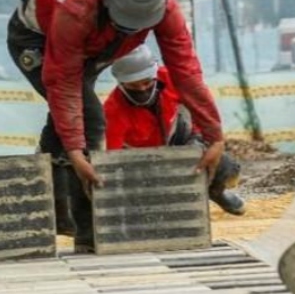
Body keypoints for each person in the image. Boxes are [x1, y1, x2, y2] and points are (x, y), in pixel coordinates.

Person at [6, 0, 225, 252]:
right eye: (126, 24)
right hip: (36, 37)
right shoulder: (76, 8)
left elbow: (185, 71)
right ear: (108, 1)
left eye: (138, 27)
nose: (131, 30)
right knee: (89, 119)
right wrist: (76, 151)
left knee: (76, 117)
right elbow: (64, 82)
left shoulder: (163, 5)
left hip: (99, 38)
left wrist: (213, 135)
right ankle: (86, 227)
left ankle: (56, 203)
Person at [103, 45, 246, 216]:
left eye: (147, 82)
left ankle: (215, 192)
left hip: (180, 139)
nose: (142, 89)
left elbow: (202, 106)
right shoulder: (113, 110)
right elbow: (112, 158)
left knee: (226, 167)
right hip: (143, 160)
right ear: (121, 83)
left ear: (155, 74)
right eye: (133, 86)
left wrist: (205, 140)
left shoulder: (172, 79)